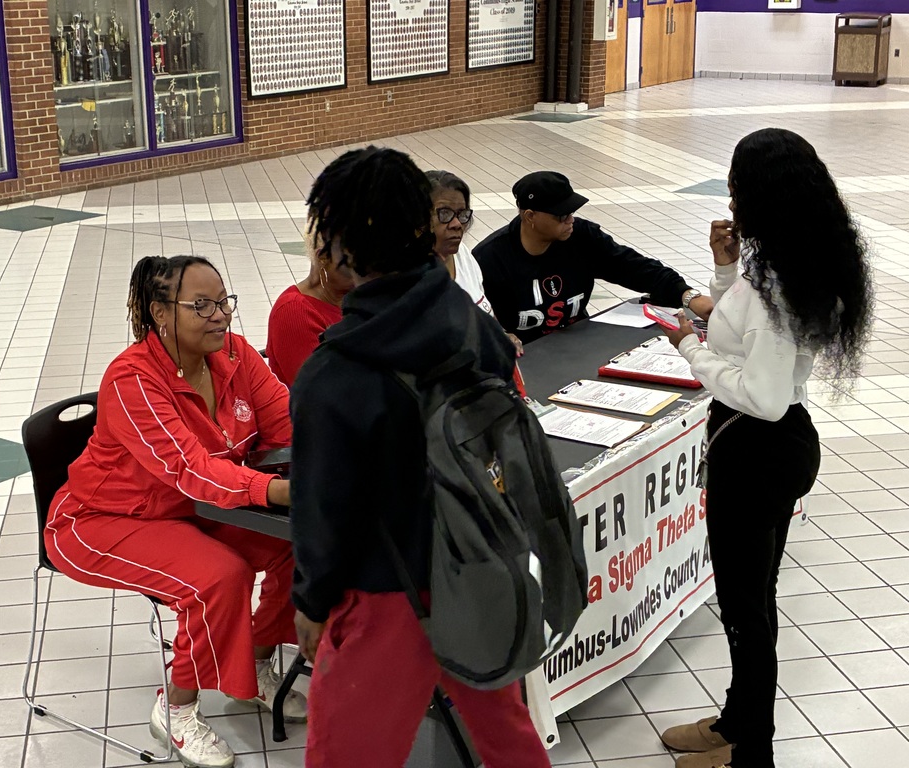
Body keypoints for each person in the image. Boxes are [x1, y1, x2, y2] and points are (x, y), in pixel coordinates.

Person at [288, 147, 551, 768]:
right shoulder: (472, 325)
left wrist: (311, 600)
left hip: (388, 592)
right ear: (420, 228)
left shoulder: (335, 371)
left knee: (345, 757)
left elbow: (323, 506)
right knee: (507, 737)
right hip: (481, 565)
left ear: (339, 243)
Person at [660, 128, 872, 768]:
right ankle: (735, 721)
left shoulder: (780, 282)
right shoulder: (795, 261)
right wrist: (726, 270)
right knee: (750, 602)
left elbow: (763, 392)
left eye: (735, 183)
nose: (730, 195)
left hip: (757, 449)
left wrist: (689, 350)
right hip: (774, 447)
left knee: (746, 610)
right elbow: (748, 336)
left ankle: (752, 751)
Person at [44, 255, 308, 768]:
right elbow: (191, 469)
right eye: (202, 305)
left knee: (297, 545)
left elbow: (289, 418)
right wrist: (279, 493)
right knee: (219, 577)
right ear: (161, 314)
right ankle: (178, 707)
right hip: (102, 520)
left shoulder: (233, 355)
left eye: (223, 301)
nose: (220, 316)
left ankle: (253, 668)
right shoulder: (132, 380)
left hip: (190, 508)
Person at [473, 170, 714, 344]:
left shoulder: (580, 237)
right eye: (561, 215)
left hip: (579, 342)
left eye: (572, 212)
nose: (571, 220)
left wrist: (687, 295)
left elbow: (631, 266)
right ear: (529, 216)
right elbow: (472, 322)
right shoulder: (490, 259)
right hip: (528, 356)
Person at [425, 169, 527, 395]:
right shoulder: (405, 278)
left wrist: (501, 334)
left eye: (462, 214)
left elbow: (485, 311)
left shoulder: (463, 256)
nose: (456, 224)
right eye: (443, 214)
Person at [266, 220, 355, 387]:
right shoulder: (294, 311)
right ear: (323, 258)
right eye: (353, 257)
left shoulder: (357, 298)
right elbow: (321, 392)